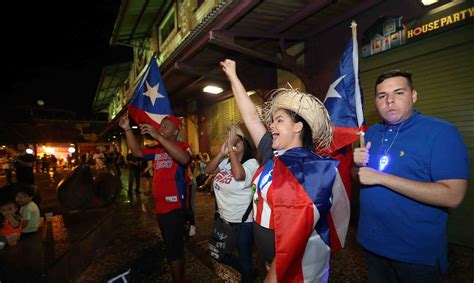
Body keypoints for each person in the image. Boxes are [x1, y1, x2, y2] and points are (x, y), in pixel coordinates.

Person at [221, 59, 347, 282]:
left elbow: (295, 236)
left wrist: (273, 275)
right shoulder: (273, 153)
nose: (271, 126)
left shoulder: (309, 170)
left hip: (294, 268)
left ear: (298, 127)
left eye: (279, 120)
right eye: (272, 121)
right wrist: (233, 76)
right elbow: (250, 117)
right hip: (272, 261)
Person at [352, 70, 470, 282]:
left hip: (415, 254)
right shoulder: (370, 134)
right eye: (382, 96)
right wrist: (356, 166)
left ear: (413, 95)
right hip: (373, 245)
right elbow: (360, 177)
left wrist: (381, 178)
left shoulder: (441, 132)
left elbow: (453, 195)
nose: (390, 101)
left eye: (398, 92)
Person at [119, 114, 192, 283]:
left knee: (173, 250)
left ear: (176, 131)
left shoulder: (182, 146)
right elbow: (137, 152)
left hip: (174, 208)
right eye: (161, 126)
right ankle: (182, 278)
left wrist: (158, 136)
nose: (162, 128)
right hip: (161, 207)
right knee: (175, 247)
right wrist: (127, 129)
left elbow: (184, 158)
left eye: (166, 126)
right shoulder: (158, 149)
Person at [204, 125, 259, 283]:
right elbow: (208, 170)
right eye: (230, 141)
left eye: (237, 141)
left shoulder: (252, 164)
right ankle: (247, 270)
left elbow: (239, 175)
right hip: (224, 221)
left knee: (245, 258)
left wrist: (231, 149)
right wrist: (222, 153)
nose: (232, 144)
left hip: (243, 224)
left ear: (245, 144)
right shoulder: (227, 162)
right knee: (218, 253)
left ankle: (247, 272)